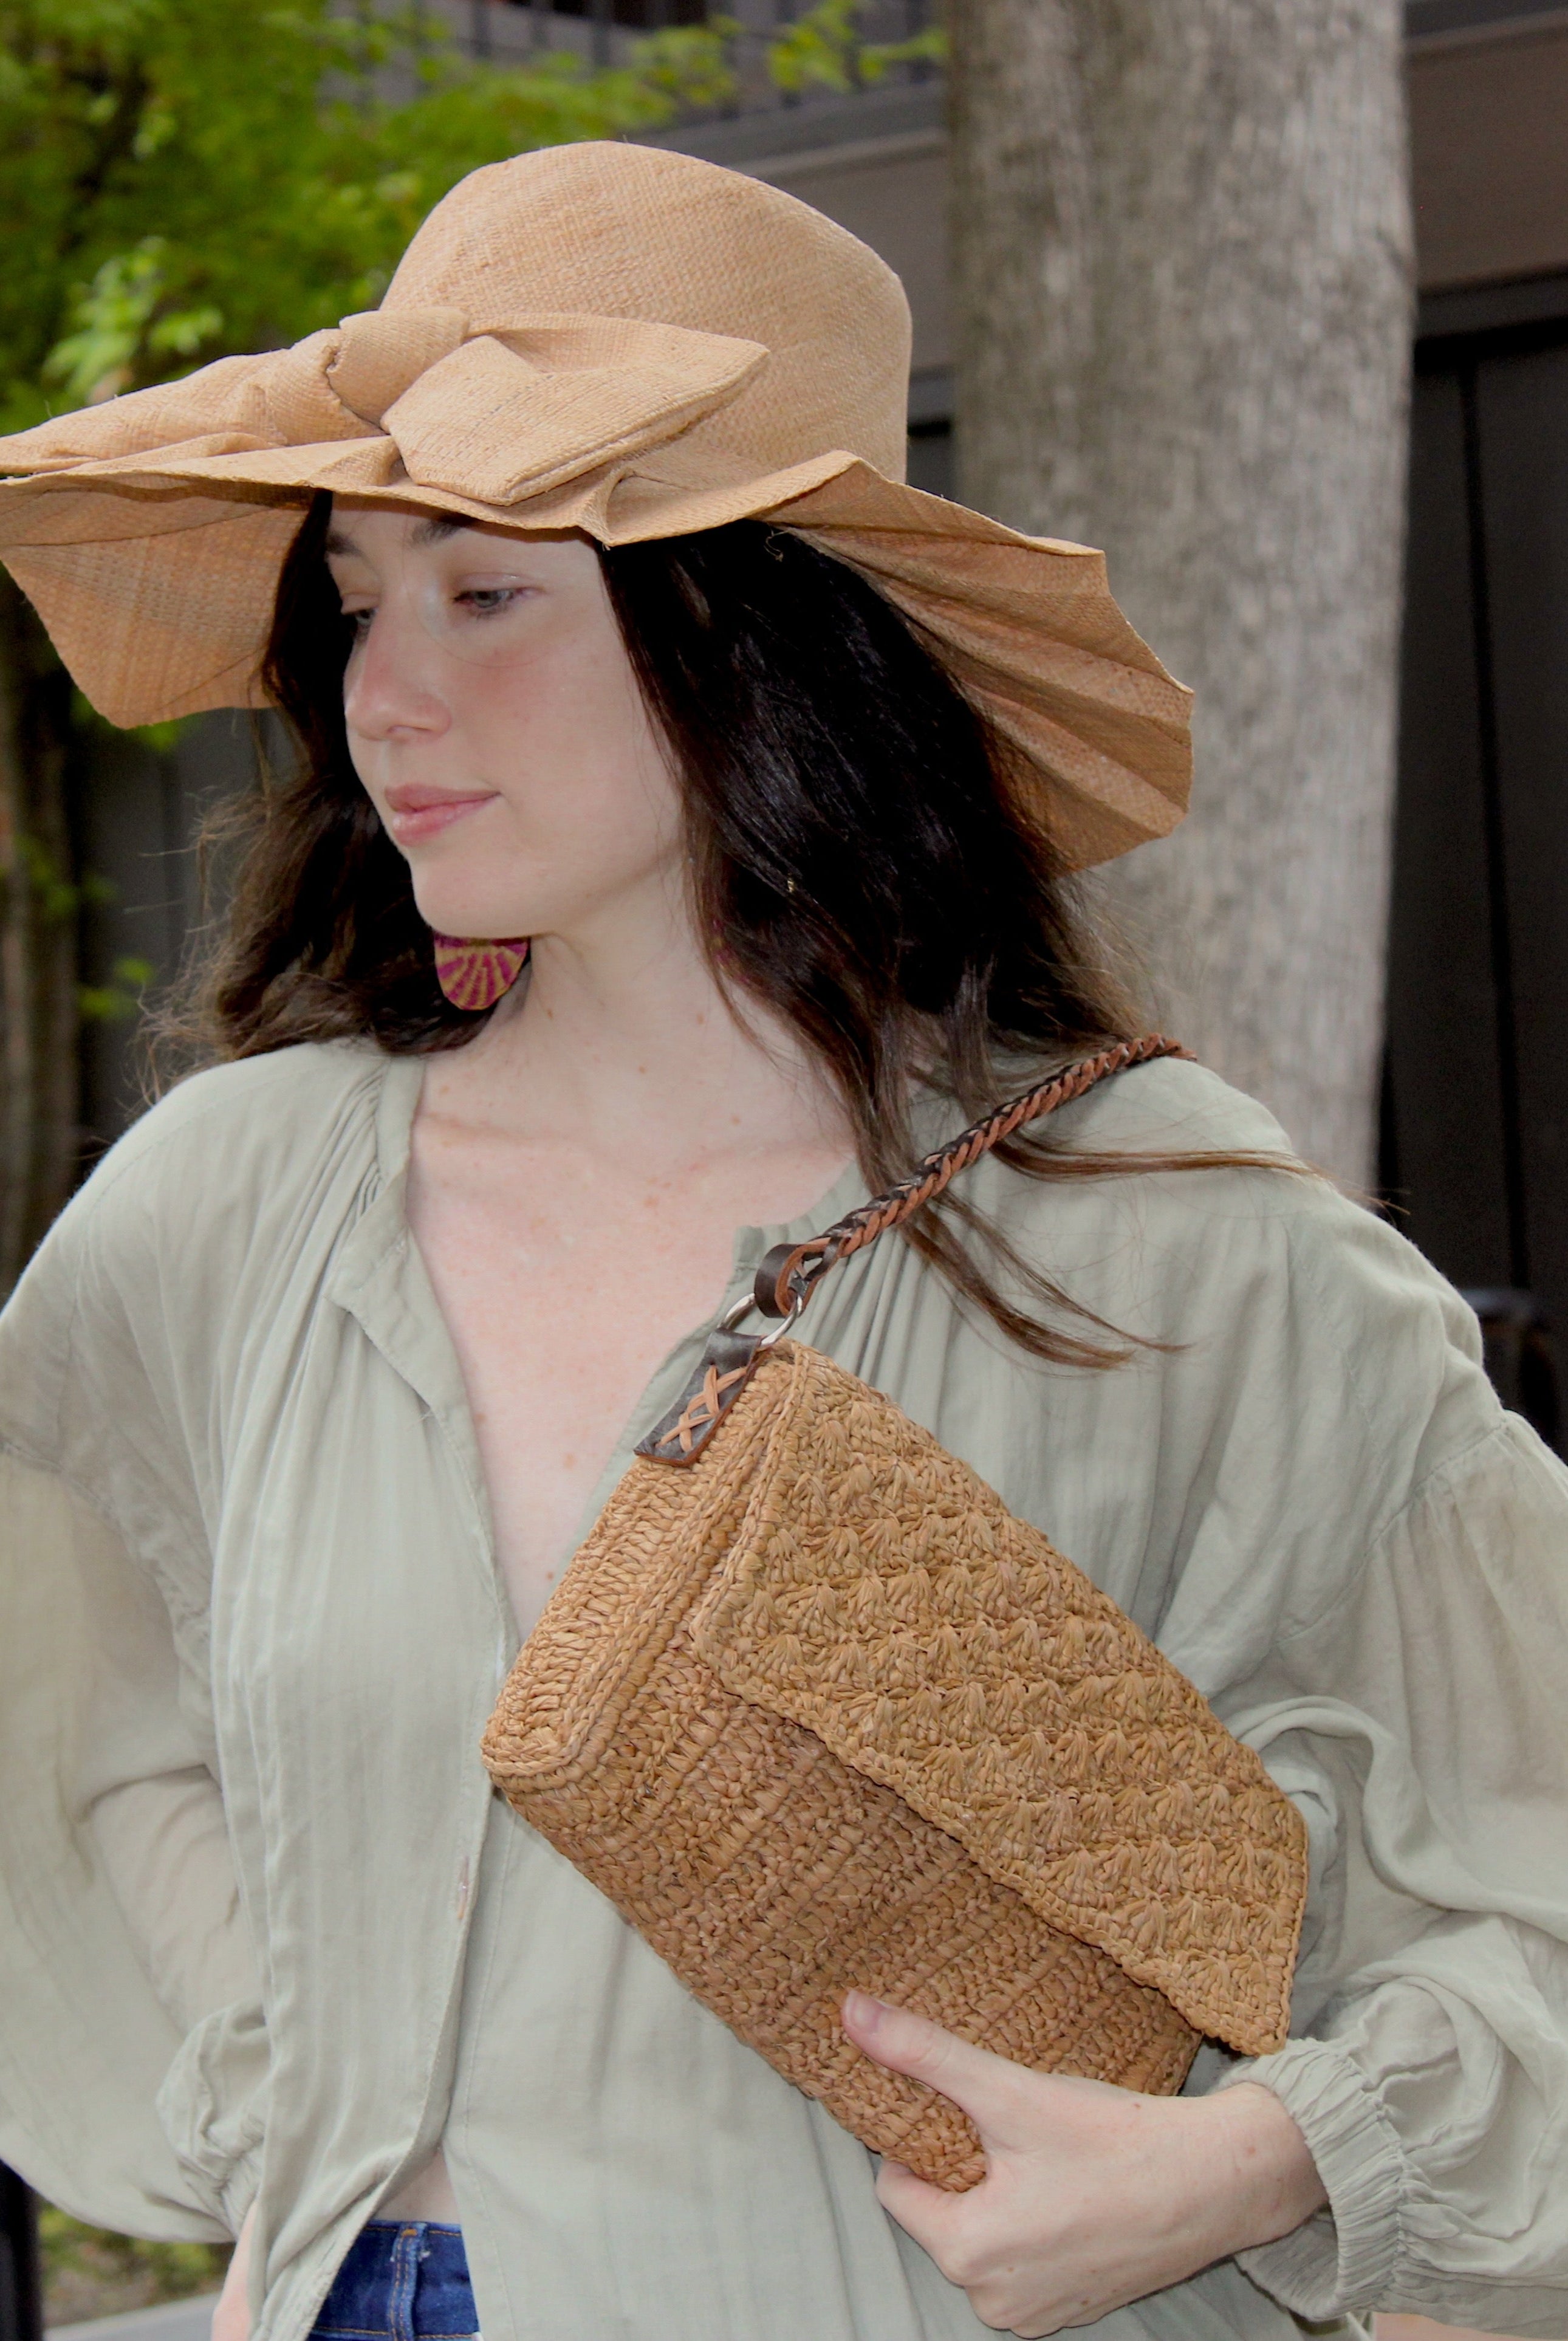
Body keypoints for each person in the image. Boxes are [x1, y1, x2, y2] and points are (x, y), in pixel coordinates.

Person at [0, 142, 1564, 2341]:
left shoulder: (1179, 1242)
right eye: (359, 594)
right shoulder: (228, 1211)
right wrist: (301, 2109)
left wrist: (1267, 2157)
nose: (382, 693)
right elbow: (92, 1717)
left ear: (760, 633)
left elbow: (1536, 1859)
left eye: (487, 590)